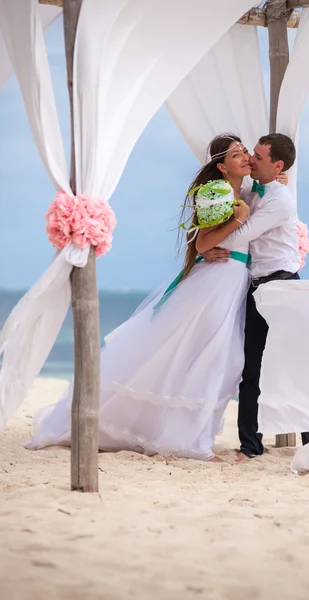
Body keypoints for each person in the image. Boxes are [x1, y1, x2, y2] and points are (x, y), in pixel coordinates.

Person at [25, 134, 255, 461]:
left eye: (245, 151)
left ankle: (188, 435)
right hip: (216, 284)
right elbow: (204, 244)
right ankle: (190, 441)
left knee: (221, 360)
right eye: (237, 154)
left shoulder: (242, 191)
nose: (245, 156)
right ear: (222, 166)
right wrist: (238, 219)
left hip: (232, 283)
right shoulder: (217, 193)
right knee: (208, 358)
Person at [202, 134, 309, 460]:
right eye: (251, 153)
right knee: (251, 368)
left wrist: (213, 246)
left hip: (283, 287)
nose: (251, 159)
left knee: (294, 368)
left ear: (278, 165)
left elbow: (242, 234)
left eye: (258, 156)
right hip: (257, 287)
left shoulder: (280, 200)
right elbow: (236, 196)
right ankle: (250, 447)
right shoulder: (254, 188)